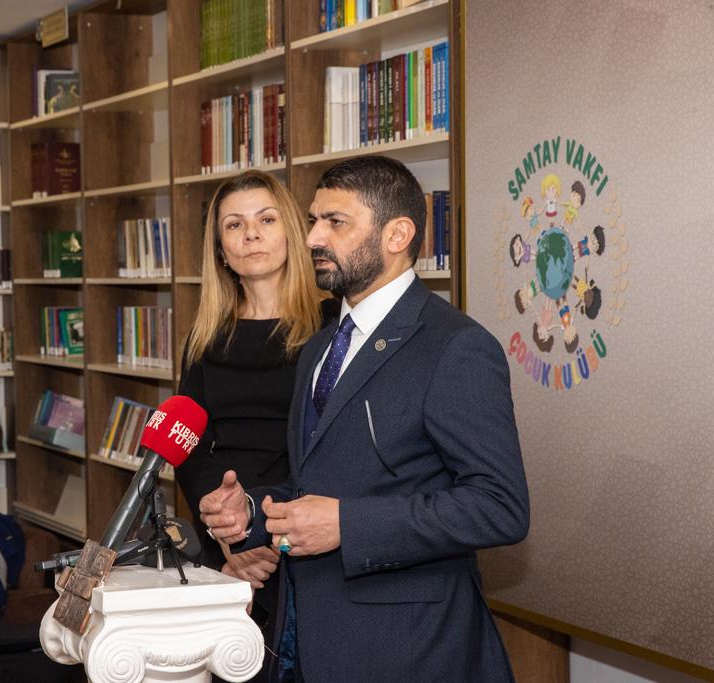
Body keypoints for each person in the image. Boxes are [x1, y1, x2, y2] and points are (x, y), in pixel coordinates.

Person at [199, 156, 530, 682]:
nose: (312, 238)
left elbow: (500, 507)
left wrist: (346, 525)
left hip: (409, 649)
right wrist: (253, 511)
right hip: (306, 635)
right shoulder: (320, 346)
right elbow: (318, 482)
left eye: (335, 222)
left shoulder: (456, 347)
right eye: (313, 220)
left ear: (397, 234)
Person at [176, 170, 334, 681]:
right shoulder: (204, 336)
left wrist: (264, 532)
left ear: (291, 231)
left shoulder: (332, 326)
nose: (251, 235)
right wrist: (228, 536)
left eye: (266, 220)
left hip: (303, 534)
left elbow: (334, 442)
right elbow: (189, 447)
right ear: (221, 250)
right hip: (225, 540)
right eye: (234, 225)